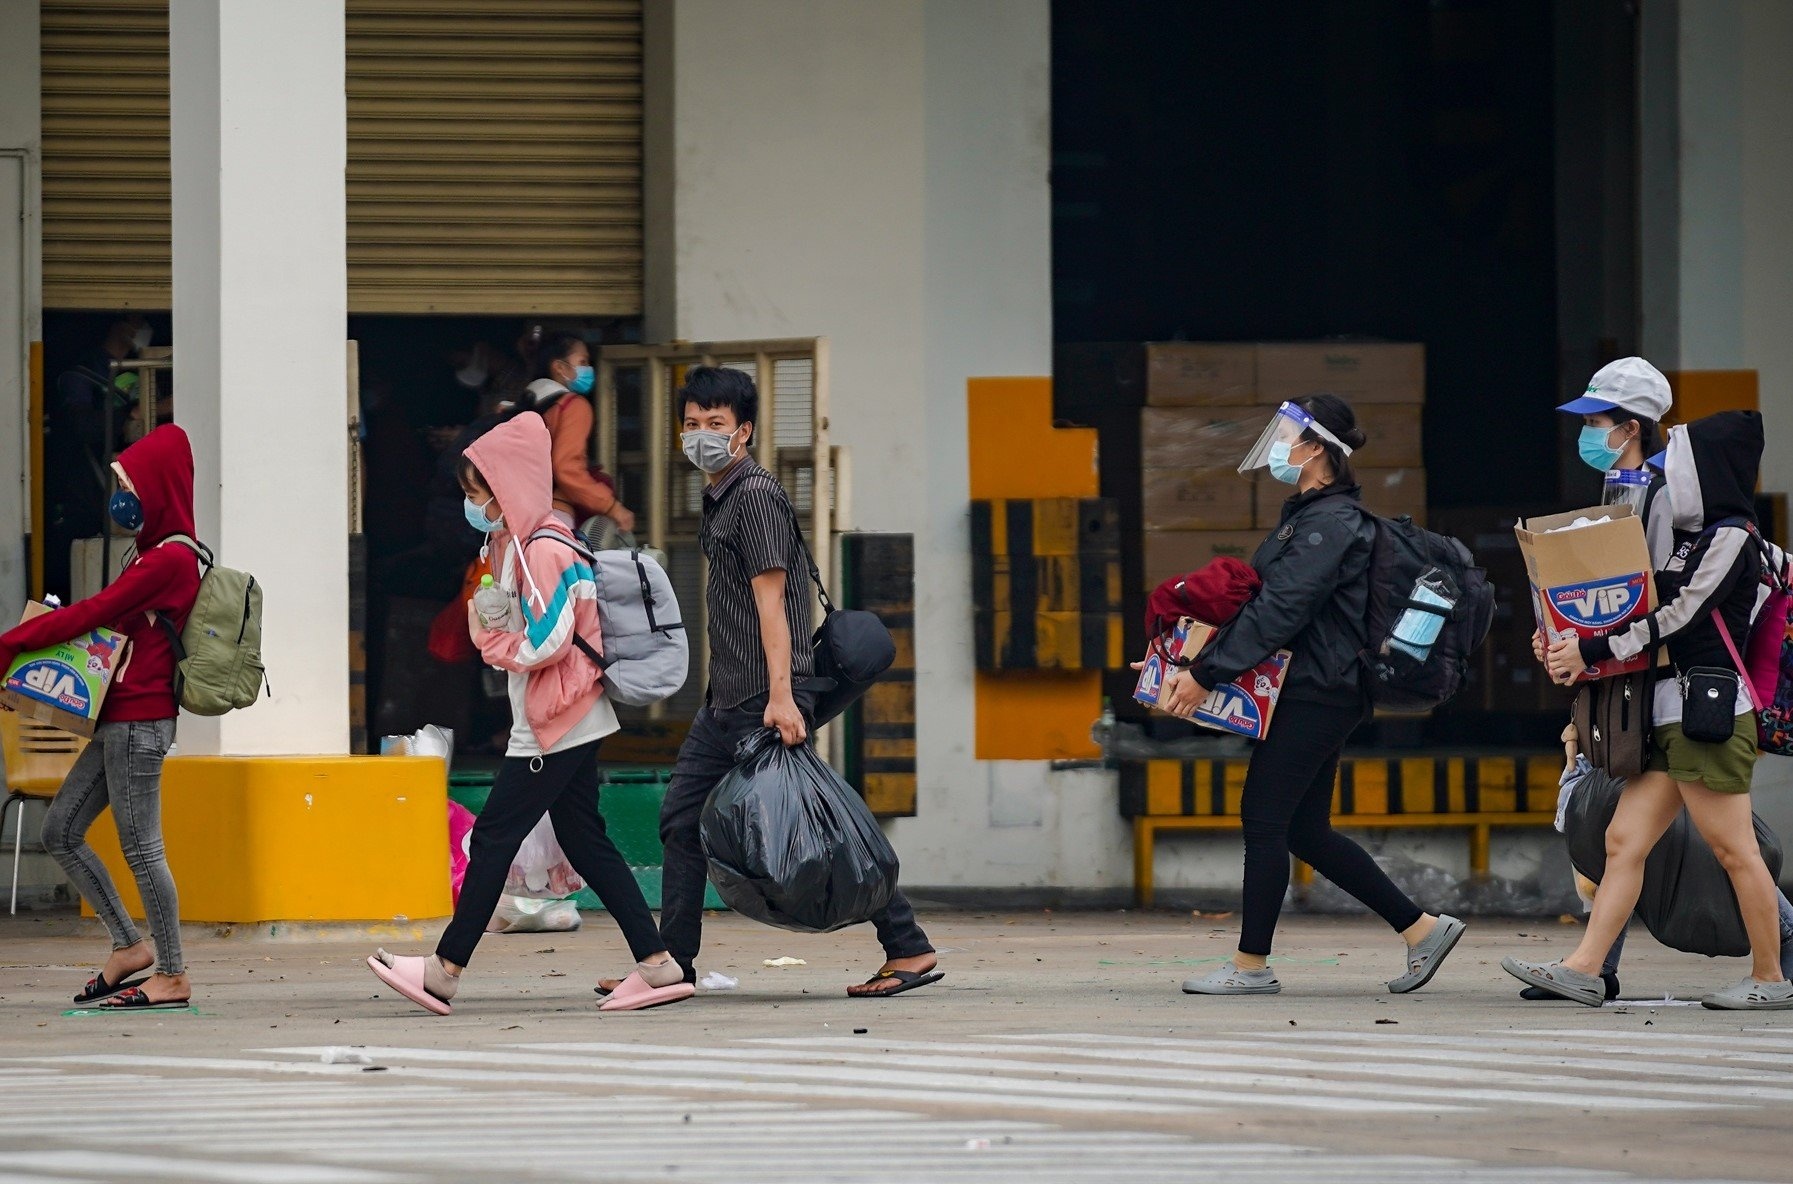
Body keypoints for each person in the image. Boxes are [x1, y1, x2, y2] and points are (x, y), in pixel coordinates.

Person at [600, 365, 941, 999]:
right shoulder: (721, 492)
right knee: (682, 821)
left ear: (745, 431)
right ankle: (673, 963)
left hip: (761, 694)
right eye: (692, 423)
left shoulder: (754, 494)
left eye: (716, 423)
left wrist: (782, 697)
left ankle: (907, 944)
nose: (701, 434)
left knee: (818, 825)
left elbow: (773, 603)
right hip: (728, 695)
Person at [366, 412, 692, 1015]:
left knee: (494, 837)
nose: (472, 505)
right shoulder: (517, 542)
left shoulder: (543, 547)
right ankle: (658, 964)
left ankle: (444, 970)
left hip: (557, 718)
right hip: (566, 713)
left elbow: (553, 639)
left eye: (477, 493)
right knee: (585, 840)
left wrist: (493, 644)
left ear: (506, 486)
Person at [1167, 395, 1466, 997]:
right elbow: (1261, 609)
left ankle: (1251, 966)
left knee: (1264, 819)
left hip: (1317, 692)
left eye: (1286, 436)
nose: (1277, 446)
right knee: (1304, 831)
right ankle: (1422, 929)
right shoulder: (1310, 518)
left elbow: (1281, 611)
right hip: (1314, 689)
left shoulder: (1329, 524)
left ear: (1315, 448)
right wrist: (1180, 662)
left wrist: (1209, 672)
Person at [1520, 359, 1793, 1002]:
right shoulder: (1670, 523)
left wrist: (1589, 648)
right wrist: (1568, 639)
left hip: (1707, 709)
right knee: (1624, 840)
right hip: (1669, 710)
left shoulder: (1728, 538)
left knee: (1734, 850)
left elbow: (1674, 616)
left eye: (1687, 458)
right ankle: (1586, 970)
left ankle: (1769, 977)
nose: (1676, 465)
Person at [0, 425, 202, 1009]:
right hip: (119, 719)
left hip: (140, 723)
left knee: (142, 849)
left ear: (158, 487)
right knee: (60, 831)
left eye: (130, 486)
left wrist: (14, 642)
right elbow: (105, 632)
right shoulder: (151, 554)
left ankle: (172, 974)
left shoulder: (170, 560)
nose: (122, 499)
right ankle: (129, 947)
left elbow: (97, 611)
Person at [521, 332, 635, 535]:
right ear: (559, 367)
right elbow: (567, 468)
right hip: (554, 513)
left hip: (517, 513)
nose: (589, 369)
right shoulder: (572, 406)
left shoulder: (521, 405)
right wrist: (611, 506)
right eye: (583, 362)